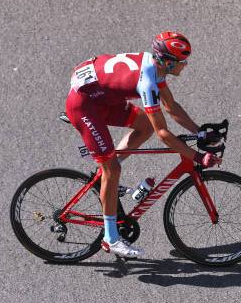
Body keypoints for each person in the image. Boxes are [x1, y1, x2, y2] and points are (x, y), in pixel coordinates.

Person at [65, 31, 221, 258]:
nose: (185, 65)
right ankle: (111, 238)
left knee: (144, 126)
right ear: (168, 62)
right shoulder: (147, 81)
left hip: (100, 96)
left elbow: (171, 106)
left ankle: (108, 178)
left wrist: (200, 133)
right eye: (182, 62)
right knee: (113, 169)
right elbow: (163, 133)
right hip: (84, 105)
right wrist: (197, 157)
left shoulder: (155, 67)